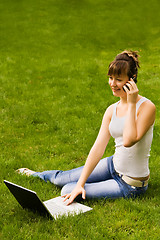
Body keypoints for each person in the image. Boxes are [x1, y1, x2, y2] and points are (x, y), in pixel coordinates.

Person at [17, 50, 156, 205]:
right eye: (110, 78)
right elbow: (98, 148)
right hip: (113, 165)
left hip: (129, 184)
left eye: (118, 79)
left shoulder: (147, 108)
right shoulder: (112, 110)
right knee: (61, 180)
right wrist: (80, 184)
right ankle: (36, 175)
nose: (112, 84)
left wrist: (131, 103)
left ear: (132, 80)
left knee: (67, 190)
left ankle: (83, 185)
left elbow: (129, 141)